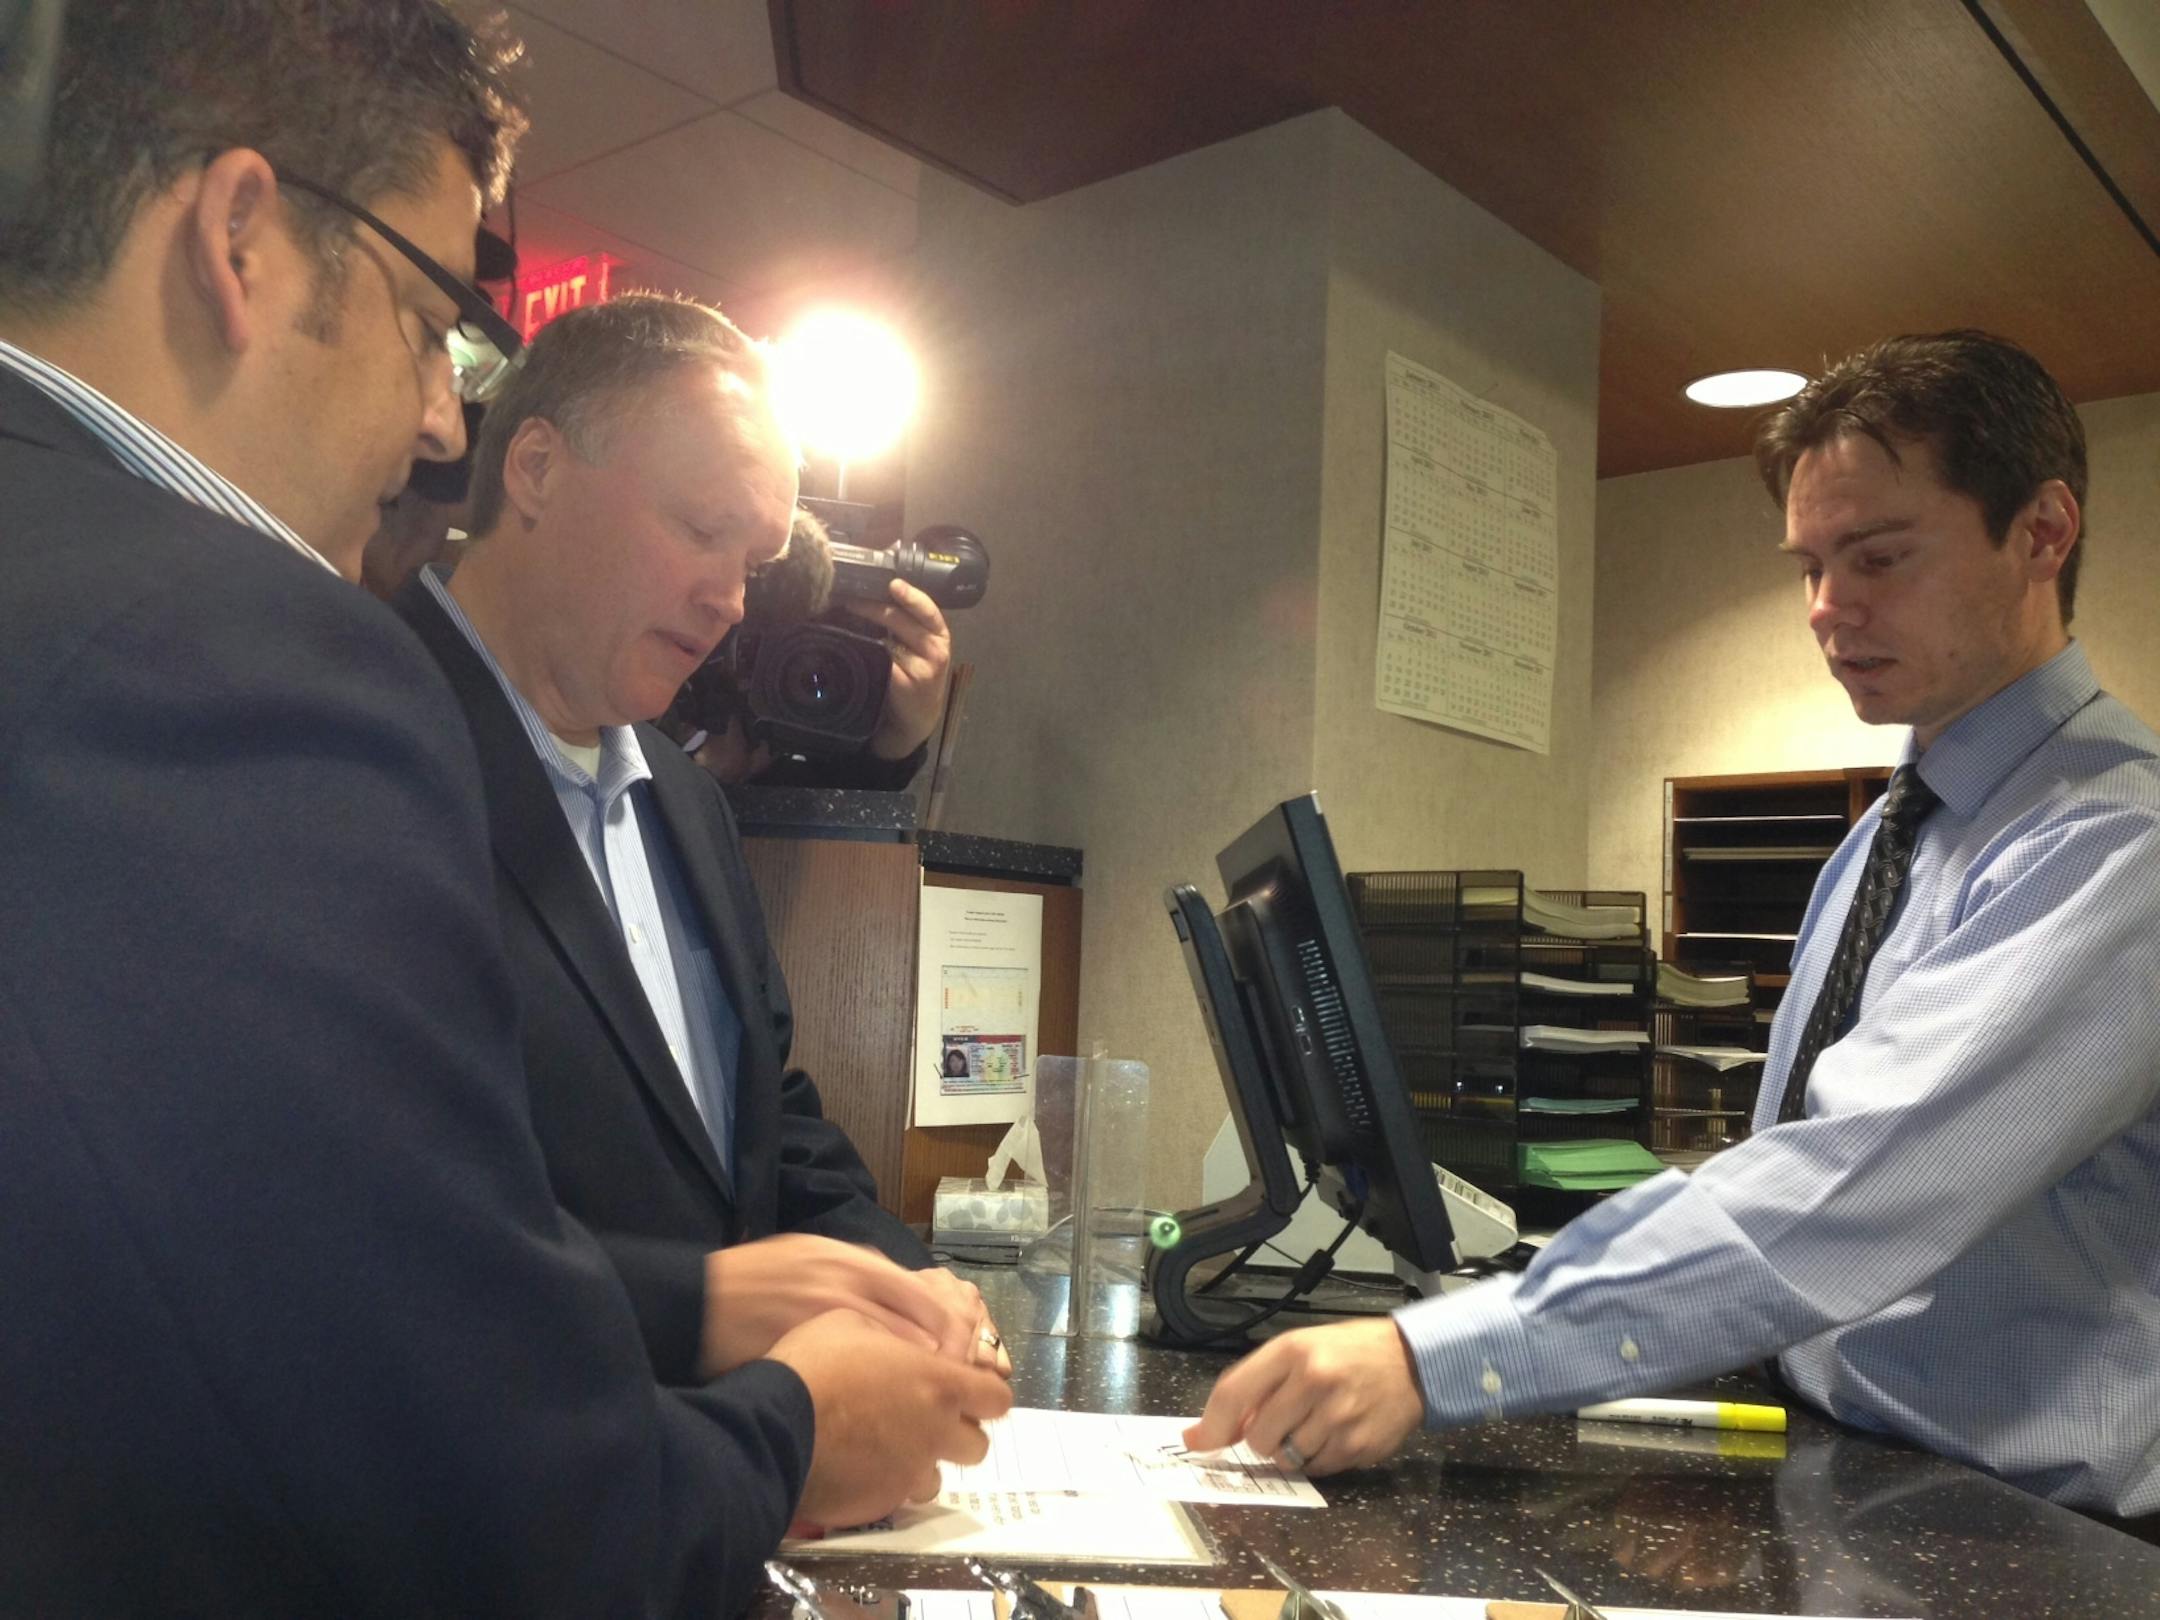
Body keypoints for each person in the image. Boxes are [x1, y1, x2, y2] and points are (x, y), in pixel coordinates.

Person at [0, 5, 1005, 1613]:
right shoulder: (255, 668)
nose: (436, 421)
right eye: (426, 318)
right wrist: (793, 1423)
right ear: (241, 235)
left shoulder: (683, 798)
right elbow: (468, 1482)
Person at [1187, 331, 2160, 1526]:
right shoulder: (1892, 834)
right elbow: (1789, 1172)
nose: (1827, 608)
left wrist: (1439, 1356)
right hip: (1869, 1471)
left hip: (2043, 1534)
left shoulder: (2116, 846)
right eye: (1809, 565)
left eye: (1878, 557)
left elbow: (1850, 1189)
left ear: (2042, 533)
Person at [389, 291, 1009, 1386]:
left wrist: (903, 1286)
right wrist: (706, 1307)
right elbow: (374, 1217)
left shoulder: (688, 799)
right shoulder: (357, 742)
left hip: (719, 1484)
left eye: (755, 559)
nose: (730, 601)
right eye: (698, 528)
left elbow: (765, 1119)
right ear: (534, 469)